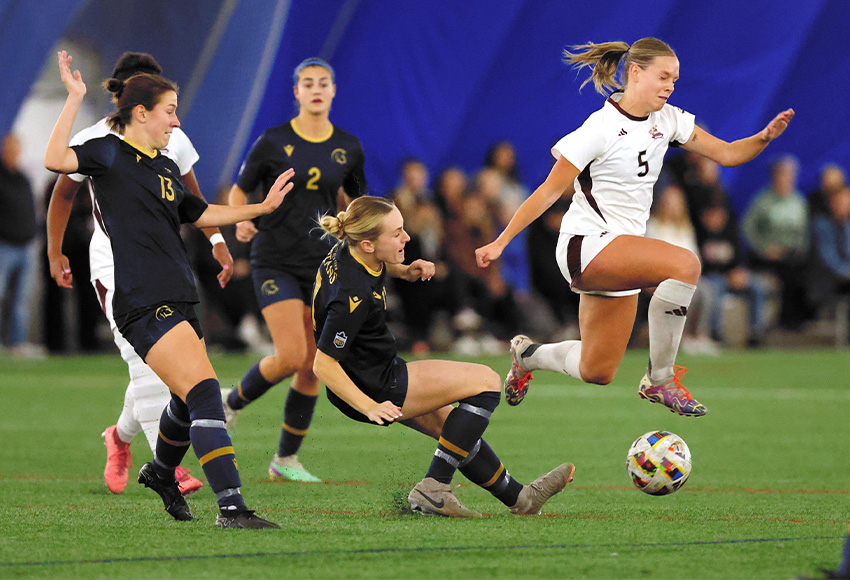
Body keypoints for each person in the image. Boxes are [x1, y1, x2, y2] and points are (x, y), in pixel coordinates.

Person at [475, 37, 794, 415]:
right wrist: (501, 241)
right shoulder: (601, 127)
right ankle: (660, 379)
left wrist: (763, 138)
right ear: (635, 72)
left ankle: (526, 356)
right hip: (586, 245)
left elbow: (726, 153)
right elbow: (548, 192)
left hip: (620, 250)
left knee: (597, 369)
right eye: (663, 77)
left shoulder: (669, 119)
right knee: (686, 265)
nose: (670, 86)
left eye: (674, 80)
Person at [45, 50, 284, 528]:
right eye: (170, 110)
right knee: (204, 392)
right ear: (141, 113)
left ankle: (159, 470)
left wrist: (261, 208)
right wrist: (73, 98)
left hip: (178, 292)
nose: (177, 120)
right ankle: (231, 507)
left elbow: (200, 213)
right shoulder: (106, 150)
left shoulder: (163, 166)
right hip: (140, 298)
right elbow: (55, 164)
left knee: (182, 397)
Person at [312, 195, 574, 517]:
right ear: (368, 244)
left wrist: (404, 271)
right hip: (374, 384)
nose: (407, 237)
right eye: (397, 233)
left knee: (454, 430)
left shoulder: (348, 250)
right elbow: (323, 362)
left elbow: (371, 269)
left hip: (370, 373)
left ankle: (521, 499)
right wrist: (369, 405)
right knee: (486, 382)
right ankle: (434, 487)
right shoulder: (351, 297)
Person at [222, 58, 368, 483]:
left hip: (322, 265)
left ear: (334, 91)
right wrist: (241, 217)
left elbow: (360, 206)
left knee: (313, 365)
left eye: (324, 82)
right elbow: (237, 190)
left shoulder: (349, 146)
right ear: (297, 92)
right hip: (275, 260)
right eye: (308, 83)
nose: (316, 89)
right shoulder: (273, 141)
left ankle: (284, 461)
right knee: (291, 356)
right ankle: (230, 403)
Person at [741, 155, 809, 330]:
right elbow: (748, 230)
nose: (786, 178)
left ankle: (796, 322)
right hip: (766, 255)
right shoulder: (762, 201)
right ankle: (775, 324)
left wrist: (798, 249)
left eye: (789, 175)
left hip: (792, 255)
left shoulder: (799, 201)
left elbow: (804, 233)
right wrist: (764, 248)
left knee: (802, 273)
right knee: (787, 273)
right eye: (782, 174)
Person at [0, 133, 41, 358]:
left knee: (20, 301)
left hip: (25, 247)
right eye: (12, 147)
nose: (16, 152)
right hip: (3, 246)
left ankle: (17, 344)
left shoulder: (23, 177)